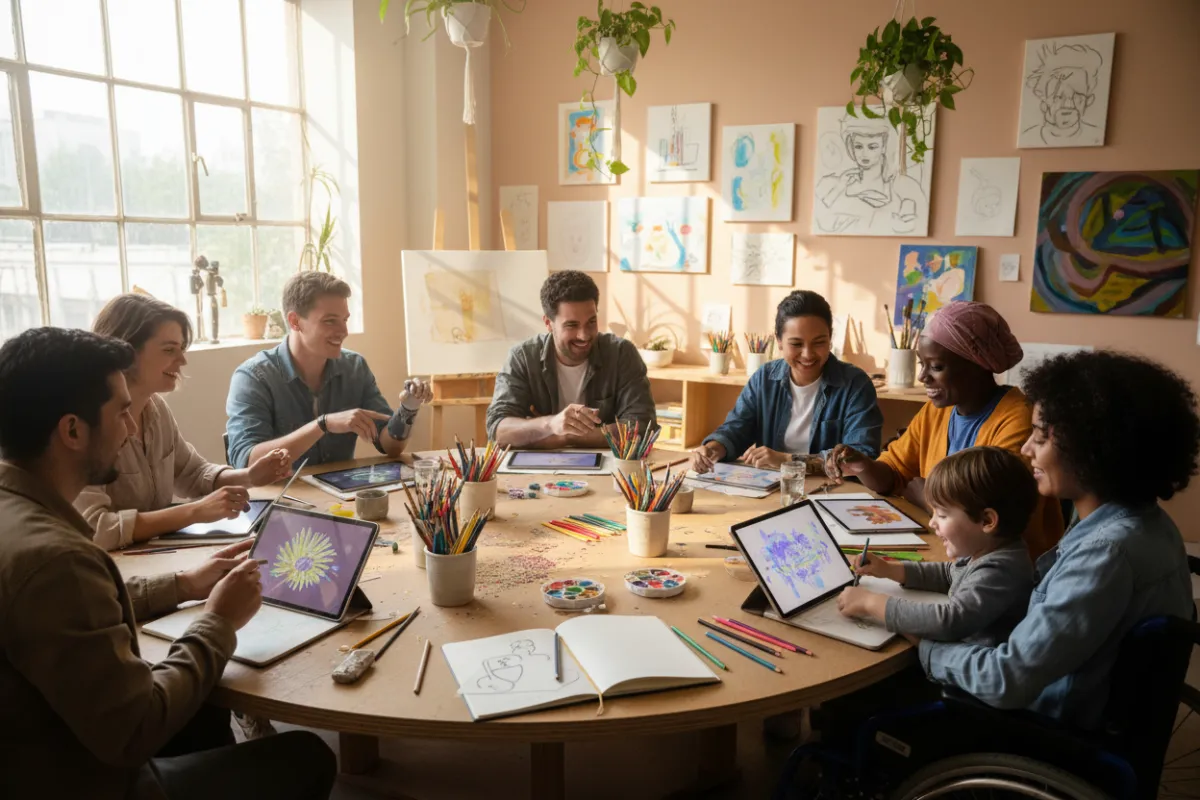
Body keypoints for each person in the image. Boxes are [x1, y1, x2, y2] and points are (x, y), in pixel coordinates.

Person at [0, 327, 336, 800]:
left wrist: (182, 584)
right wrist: (219, 621)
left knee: (201, 703)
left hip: (47, 747)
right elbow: (135, 729)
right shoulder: (57, 560)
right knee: (308, 755)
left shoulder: (19, 518)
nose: (132, 428)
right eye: (120, 413)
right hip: (93, 778)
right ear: (72, 430)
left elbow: (68, 609)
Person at [917, 351, 1197, 729]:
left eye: (1041, 435)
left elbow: (1006, 679)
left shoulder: (1106, 553)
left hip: (1047, 732)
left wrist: (924, 648)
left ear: (1091, 446)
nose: (1026, 449)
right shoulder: (1144, 522)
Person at [826, 301, 1063, 558]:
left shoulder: (1017, 418)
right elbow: (893, 474)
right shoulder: (937, 411)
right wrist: (863, 466)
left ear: (978, 366)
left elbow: (987, 521)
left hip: (1004, 569)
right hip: (951, 555)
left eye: (936, 367)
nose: (922, 377)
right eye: (921, 364)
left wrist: (923, 494)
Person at [75, 294, 292, 551]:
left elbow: (193, 473)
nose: (182, 361)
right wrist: (194, 512)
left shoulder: (155, 408)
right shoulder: (84, 426)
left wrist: (249, 476)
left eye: (181, 349)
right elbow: (96, 530)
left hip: (153, 559)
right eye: (169, 350)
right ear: (125, 352)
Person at [226, 272, 432, 469]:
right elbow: (246, 461)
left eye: (345, 320)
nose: (343, 332)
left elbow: (390, 446)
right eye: (330, 321)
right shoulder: (253, 377)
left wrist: (409, 408)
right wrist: (322, 425)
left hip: (339, 502)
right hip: (280, 499)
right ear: (295, 321)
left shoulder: (355, 368)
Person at [836, 446, 1038, 647]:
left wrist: (871, 603)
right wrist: (891, 570)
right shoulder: (987, 548)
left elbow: (950, 621)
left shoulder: (1001, 570)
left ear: (987, 520)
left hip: (961, 669)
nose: (932, 523)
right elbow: (950, 574)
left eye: (942, 515)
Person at [690, 290, 882, 474]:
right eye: (796, 344)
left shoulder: (855, 384)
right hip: (771, 486)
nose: (807, 354)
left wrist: (788, 461)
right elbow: (737, 428)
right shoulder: (764, 378)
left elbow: (861, 456)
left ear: (830, 338)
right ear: (779, 342)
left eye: (819, 342)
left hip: (829, 491)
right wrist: (712, 449)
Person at [486, 270, 655, 448]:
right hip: (537, 471)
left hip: (608, 470)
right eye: (572, 325)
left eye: (591, 322)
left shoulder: (621, 354)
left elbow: (642, 427)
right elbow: (499, 431)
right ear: (548, 323)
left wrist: (567, 436)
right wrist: (552, 424)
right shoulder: (523, 358)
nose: (584, 335)